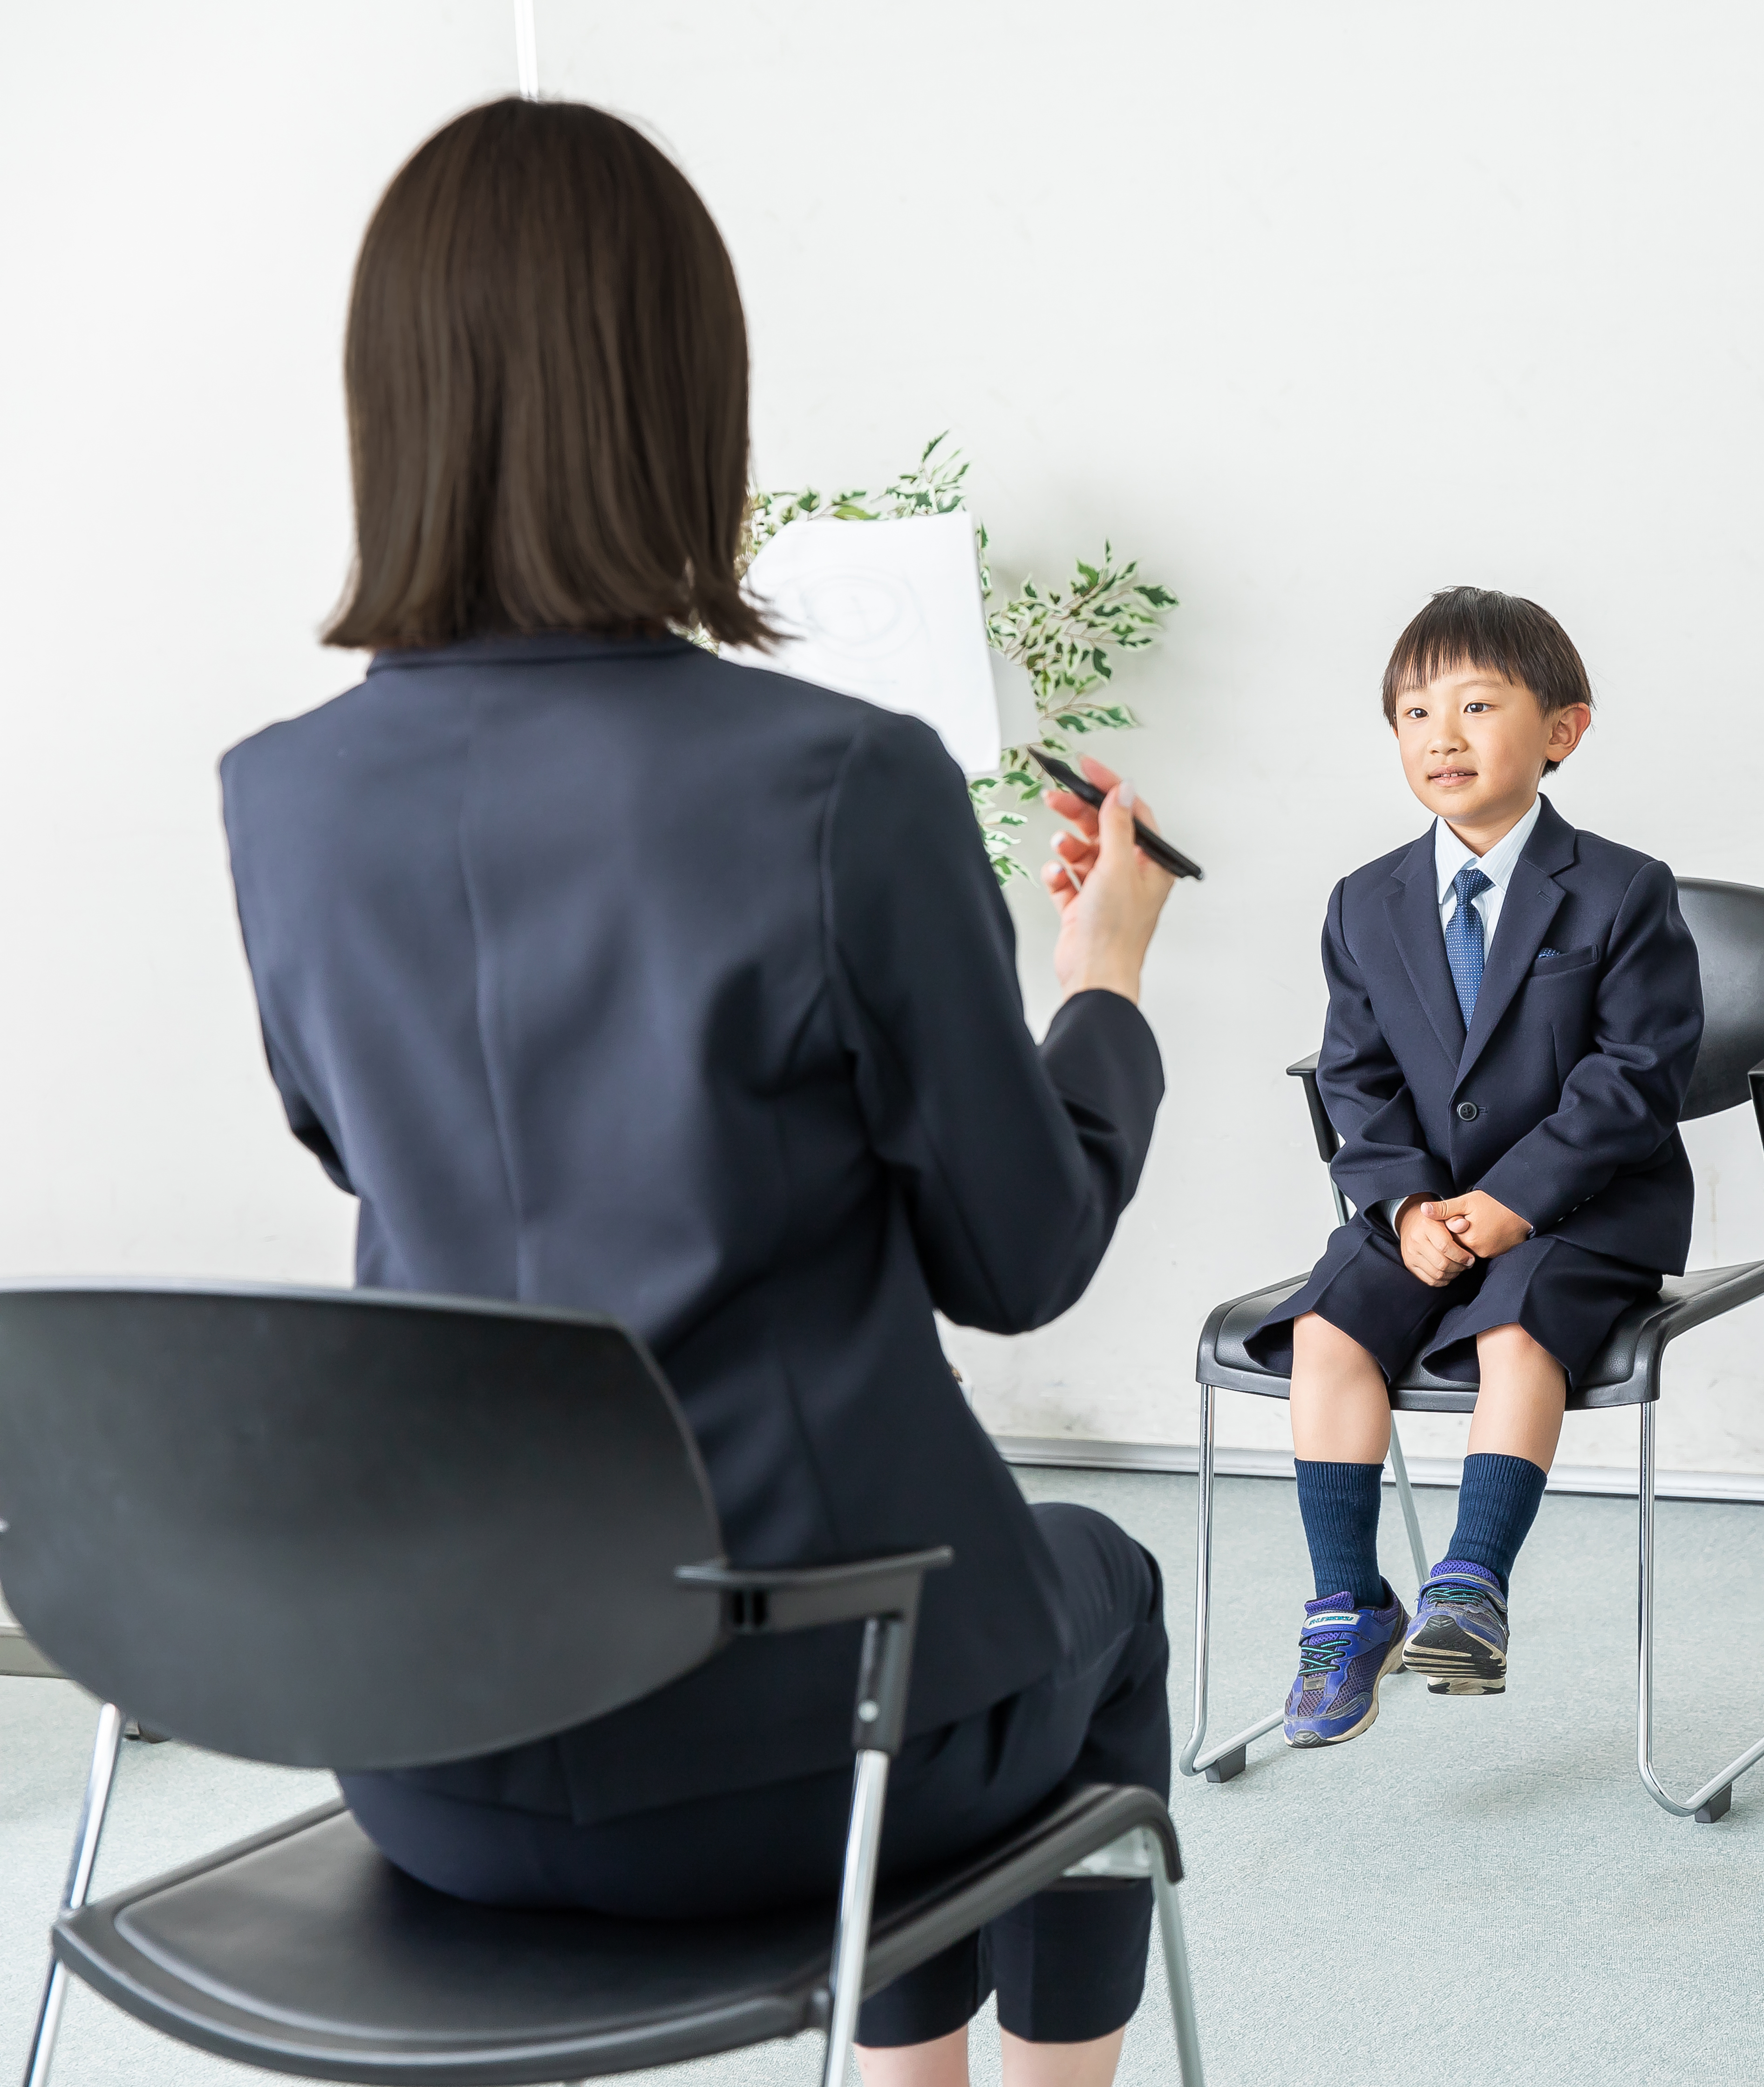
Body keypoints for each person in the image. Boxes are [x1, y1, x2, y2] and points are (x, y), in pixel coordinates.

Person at [218, 100, 1177, 2087]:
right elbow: (1017, 1258)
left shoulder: (281, 795)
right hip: (790, 1756)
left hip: (428, 1749)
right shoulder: (840, 782)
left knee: (913, 1626)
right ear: (686, 397)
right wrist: (1100, 981)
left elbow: (357, 1135)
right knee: (1088, 1598)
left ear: (391, 402)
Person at [1246, 587, 1703, 1746]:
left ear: (1562, 730)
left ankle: (1471, 1580)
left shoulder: (1622, 888)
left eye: (1476, 704)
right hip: (1420, 1210)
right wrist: (1403, 1206)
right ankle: (1348, 1603)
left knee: (1516, 1322)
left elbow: (1633, 1076)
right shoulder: (1365, 901)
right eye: (1412, 711)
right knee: (1327, 1326)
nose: (1439, 734)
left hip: (1582, 1210)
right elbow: (1357, 1075)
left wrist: (1508, 1205)